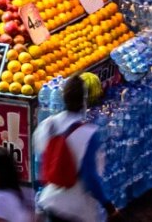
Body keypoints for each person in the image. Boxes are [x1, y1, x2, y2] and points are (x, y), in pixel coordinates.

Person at [32, 74, 107, 222]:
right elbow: (90, 176)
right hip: (78, 207)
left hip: (51, 200)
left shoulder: (48, 125)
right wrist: (107, 204)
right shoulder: (89, 132)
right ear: (84, 101)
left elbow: (40, 164)